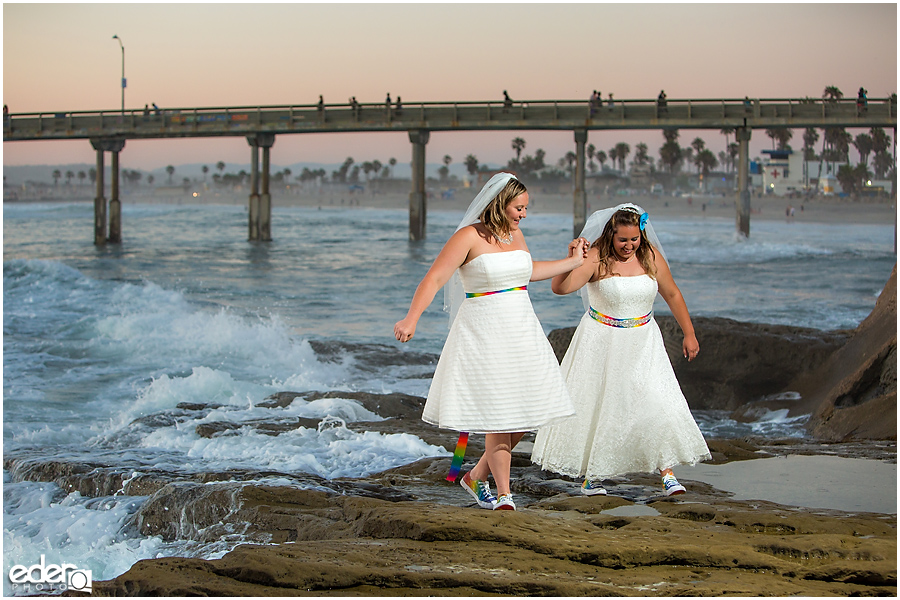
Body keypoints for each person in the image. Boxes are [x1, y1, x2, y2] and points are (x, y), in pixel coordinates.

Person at [394, 173, 586, 511]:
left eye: (526, 208)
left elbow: (526, 272)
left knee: (526, 416)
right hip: (483, 332)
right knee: (501, 415)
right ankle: (504, 493)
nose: (524, 214)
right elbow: (435, 277)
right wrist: (412, 318)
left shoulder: (515, 234)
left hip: (522, 330)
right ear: (500, 202)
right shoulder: (468, 236)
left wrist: (572, 262)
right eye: (519, 207)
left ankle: (474, 476)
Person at [531, 203, 711, 498]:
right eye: (623, 240)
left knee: (657, 401)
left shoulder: (650, 256)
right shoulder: (596, 257)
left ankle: (666, 473)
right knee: (605, 409)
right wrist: (570, 259)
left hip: (644, 341)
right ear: (611, 236)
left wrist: (689, 333)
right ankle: (593, 477)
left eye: (634, 239)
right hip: (602, 341)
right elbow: (560, 289)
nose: (629, 246)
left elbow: (672, 293)